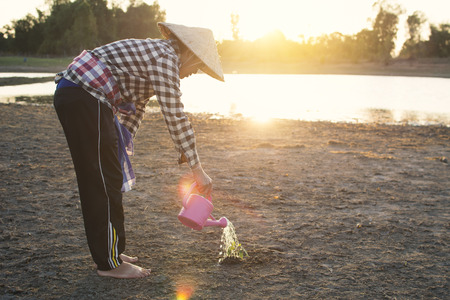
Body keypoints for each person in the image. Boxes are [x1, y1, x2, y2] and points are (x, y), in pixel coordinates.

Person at [53, 23, 224, 279]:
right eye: (197, 67)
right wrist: (197, 170)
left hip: (84, 97)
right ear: (189, 54)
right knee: (100, 183)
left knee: (108, 178)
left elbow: (136, 107)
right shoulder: (166, 58)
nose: (192, 73)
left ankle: (112, 252)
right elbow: (175, 114)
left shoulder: (156, 56)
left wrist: (119, 148)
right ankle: (109, 265)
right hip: (85, 96)